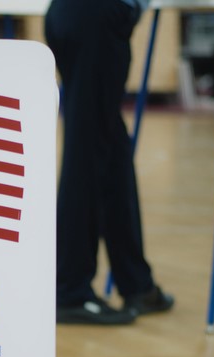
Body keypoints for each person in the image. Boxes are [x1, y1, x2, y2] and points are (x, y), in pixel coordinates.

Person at [46, 0, 174, 325]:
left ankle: (136, 282)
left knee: (110, 149)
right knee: (87, 153)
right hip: (98, 15)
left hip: (78, 14)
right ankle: (69, 289)